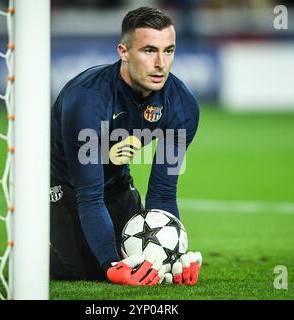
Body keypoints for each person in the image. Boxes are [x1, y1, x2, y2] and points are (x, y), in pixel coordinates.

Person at [50, 6, 202, 286]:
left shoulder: (181, 107)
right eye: (149, 51)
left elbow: (163, 194)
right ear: (124, 52)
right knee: (90, 271)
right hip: (63, 186)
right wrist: (110, 265)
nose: (161, 63)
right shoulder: (88, 101)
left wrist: (172, 256)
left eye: (168, 51)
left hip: (118, 185)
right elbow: (89, 195)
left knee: (148, 261)